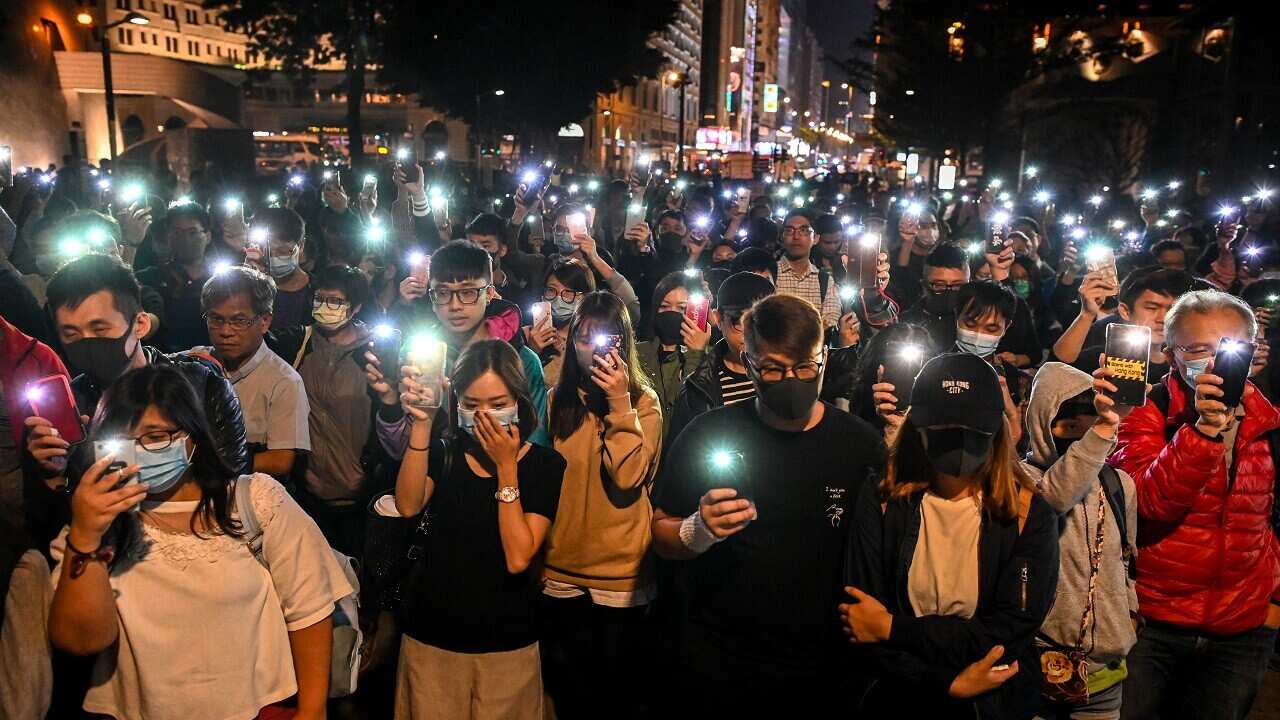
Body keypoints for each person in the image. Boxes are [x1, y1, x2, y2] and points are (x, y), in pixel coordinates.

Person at [46, 364, 350, 720]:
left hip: (259, 710)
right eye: (122, 441)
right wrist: (86, 535)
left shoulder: (255, 502)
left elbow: (310, 608)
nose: (139, 453)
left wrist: (312, 711)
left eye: (155, 437)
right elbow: (80, 641)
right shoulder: (98, 521)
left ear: (193, 436)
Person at [652, 293, 884, 714]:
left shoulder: (860, 445)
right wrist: (696, 531)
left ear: (824, 358)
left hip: (826, 663)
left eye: (804, 367)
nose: (791, 380)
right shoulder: (710, 433)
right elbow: (661, 531)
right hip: (722, 657)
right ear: (749, 360)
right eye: (774, 369)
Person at [846, 352, 1059, 717]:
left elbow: (1009, 630)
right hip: (900, 699)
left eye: (972, 432)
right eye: (944, 430)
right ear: (919, 428)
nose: (958, 442)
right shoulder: (883, 497)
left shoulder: (1027, 510)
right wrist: (945, 682)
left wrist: (894, 628)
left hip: (991, 704)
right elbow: (860, 621)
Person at [1110, 290, 1280, 720]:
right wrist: (1203, 430)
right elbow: (1148, 505)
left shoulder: (1270, 423)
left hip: (1242, 629)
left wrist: (1273, 601)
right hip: (1153, 624)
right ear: (1170, 354)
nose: (1214, 361)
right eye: (1198, 349)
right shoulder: (1144, 412)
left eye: (1228, 348)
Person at [392, 340, 566, 720]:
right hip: (431, 640)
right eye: (471, 405)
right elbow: (407, 505)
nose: (484, 415)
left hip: (508, 645)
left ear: (520, 401)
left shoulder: (545, 466)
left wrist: (506, 468)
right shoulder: (446, 453)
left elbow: (519, 556)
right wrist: (422, 423)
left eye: (498, 403)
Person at [25, 254, 249, 508]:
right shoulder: (68, 410)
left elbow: (232, 480)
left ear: (140, 324)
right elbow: (51, 529)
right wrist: (53, 475)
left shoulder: (202, 387)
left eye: (100, 329)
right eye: (71, 333)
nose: (87, 342)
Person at [540, 291, 662, 719]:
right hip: (561, 566)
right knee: (569, 689)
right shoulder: (559, 399)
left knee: (614, 694)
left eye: (603, 336)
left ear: (623, 341)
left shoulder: (644, 404)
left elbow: (627, 477)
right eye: (582, 336)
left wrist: (618, 403)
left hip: (620, 575)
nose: (591, 347)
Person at [1022, 362, 1138, 719]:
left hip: (1104, 675)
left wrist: (1130, 611)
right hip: (1036, 665)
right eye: (1069, 427)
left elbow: (1127, 558)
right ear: (1041, 424)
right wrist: (1102, 429)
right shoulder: (1021, 479)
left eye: (1087, 425)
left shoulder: (1120, 483)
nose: (1081, 438)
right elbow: (1055, 499)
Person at [379, 240, 551, 456]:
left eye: (468, 292)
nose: (455, 305)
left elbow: (537, 445)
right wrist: (390, 401)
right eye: (443, 293)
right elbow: (401, 451)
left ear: (489, 294)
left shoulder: (522, 359)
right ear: (431, 298)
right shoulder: (415, 357)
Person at [193, 265, 311, 483]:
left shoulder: (284, 382)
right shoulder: (192, 363)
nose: (226, 331)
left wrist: (217, 464)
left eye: (239, 321)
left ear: (265, 321)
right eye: (216, 319)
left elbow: (281, 459)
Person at [665, 271, 776, 445]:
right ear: (717, 318)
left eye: (763, 321)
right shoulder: (698, 385)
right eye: (738, 321)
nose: (751, 333)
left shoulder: (793, 371)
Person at [1053, 268, 1193, 379]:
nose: (1163, 318)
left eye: (1173, 310)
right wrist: (1087, 314)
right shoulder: (1103, 358)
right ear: (1125, 311)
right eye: (1152, 308)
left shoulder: (1186, 366)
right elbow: (1054, 371)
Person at [635, 271, 712, 436]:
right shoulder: (637, 353)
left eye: (682, 308)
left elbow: (694, 407)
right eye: (664, 306)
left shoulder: (710, 357)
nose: (672, 313)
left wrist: (696, 353)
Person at [136, 201, 215, 352]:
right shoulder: (150, 278)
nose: (185, 239)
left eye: (192, 232)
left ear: (208, 236)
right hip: (164, 365)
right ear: (168, 237)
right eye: (177, 232)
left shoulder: (223, 278)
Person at [525, 257, 596, 388]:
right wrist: (531, 352)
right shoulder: (524, 335)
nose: (558, 298)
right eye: (552, 290)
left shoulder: (593, 340)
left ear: (585, 297)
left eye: (568, 292)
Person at [775, 210, 841, 330]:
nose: (796, 236)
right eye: (789, 230)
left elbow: (831, 320)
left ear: (815, 238)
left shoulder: (825, 281)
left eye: (804, 230)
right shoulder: (771, 275)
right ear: (781, 237)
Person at [250, 207, 313, 329]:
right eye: (267, 251)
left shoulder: (319, 292)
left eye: (282, 251)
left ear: (301, 245)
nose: (273, 258)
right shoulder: (250, 289)